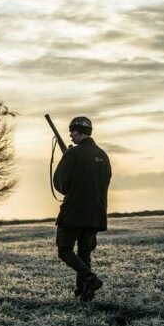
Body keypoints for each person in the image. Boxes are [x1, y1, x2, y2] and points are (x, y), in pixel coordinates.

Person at [53, 116, 112, 302]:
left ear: (78, 132)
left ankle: (89, 278)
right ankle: (83, 292)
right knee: (84, 252)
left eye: (72, 131)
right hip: (96, 213)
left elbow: (61, 185)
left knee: (64, 250)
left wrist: (66, 160)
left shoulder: (73, 154)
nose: (70, 135)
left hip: (74, 212)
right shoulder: (103, 155)